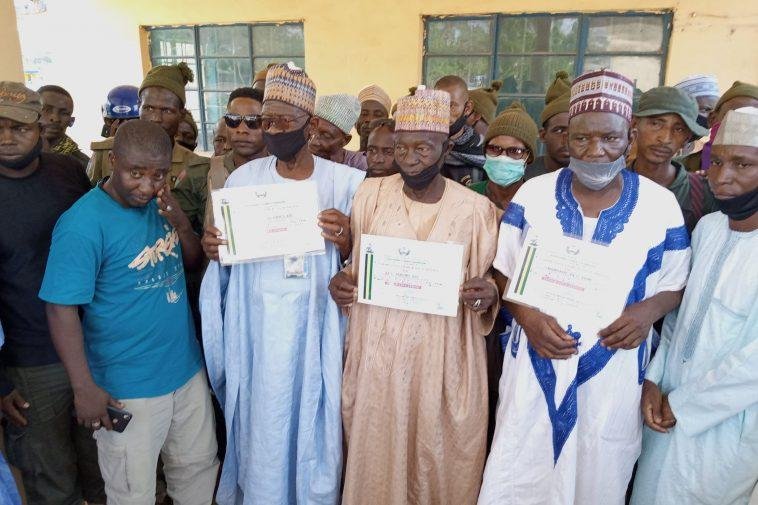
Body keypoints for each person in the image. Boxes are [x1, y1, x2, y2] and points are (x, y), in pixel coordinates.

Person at [478, 69, 692, 505]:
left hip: (612, 369)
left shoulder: (659, 205)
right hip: (535, 361)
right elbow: (504, 270)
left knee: (598, 473)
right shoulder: (533, 195)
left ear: (629, 136)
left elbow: (675, 283)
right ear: (564, 138)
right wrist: (529, 317)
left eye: (610, 139)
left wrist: (644, 314)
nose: (595, 152)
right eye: (582, 139)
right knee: (520, 468)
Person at [199, 62, 364, 504]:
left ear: (309, 125)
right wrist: (216, 246)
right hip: (257, 330)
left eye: (282, 121)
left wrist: (348, 238)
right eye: (263, 121)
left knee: (315, 417)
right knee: (264, 421)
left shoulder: (349, 184)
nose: (271, 130)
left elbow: (363, 263)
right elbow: (223, 262)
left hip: (318, 329)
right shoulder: (243, 179)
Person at [331, 86, 499, 505]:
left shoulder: (475, 210)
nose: (410, 157)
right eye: (402, 147)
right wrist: (342, 282)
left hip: (443, 358)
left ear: (445, 148)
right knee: (377, 451)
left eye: (423, 146)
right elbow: (353, 267)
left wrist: (487, 294)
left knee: (438, 456)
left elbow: (490, 285)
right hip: (378, 356)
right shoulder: (370, 194)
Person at [39, 119, 219, 505]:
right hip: (127, 387)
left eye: (158, 174)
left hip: (185, 371)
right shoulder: (82, 224)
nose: (147, 185)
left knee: (197, 473)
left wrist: (181, 224)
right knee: (132, 492)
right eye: (135, 173)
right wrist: (84, 387)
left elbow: (189, 262)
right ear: (112, 161)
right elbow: (60, 309)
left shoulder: (161, 206)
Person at [631, 106, 758, 505]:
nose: (723, 176)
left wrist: (683, 404)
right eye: (717, 161)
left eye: (743, 164)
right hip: (664, 409)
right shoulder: (708, 228)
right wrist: (652, 380)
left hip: (725, 427)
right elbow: (679, 319)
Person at [0, 81, 104, 505]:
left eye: (18, 128)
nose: (6, 138)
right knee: (51, 483)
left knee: (104, 473)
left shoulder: (68, 173)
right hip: (29, 365)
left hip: (91, 349)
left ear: (40, 126)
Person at [87, 62, 209, 187]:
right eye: (149, 108)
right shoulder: (105, 152)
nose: (156, 118)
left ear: (181, 115)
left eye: (166, 110)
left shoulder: (196, 166)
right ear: (139, 107)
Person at [174, 86, 266, 234]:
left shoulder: (284, 170)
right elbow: (179, 238)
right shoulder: (201, 174)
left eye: (253, 121)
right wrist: (206, 246)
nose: (241, 129)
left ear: (267, 124)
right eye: (233, 120)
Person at [630, 86, 715, 233]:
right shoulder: (611, 184)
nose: (665, 138)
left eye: (679, 129)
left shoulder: (702, 193)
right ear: (634, 124)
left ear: (687, 138)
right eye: (656, 124)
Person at [470, 102, 538, 209]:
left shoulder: (538, 202)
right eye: (495, 149)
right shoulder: (468, 196)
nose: (503, 157)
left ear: (528, 157)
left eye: (515, 151)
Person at [680, 80, 758, 172]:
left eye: (752, 120)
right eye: (732, 116)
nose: (742, 126)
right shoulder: (676, 170)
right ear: (712, 119)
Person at [434, 75, 486, 185]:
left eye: (451, 105)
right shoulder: (424, 147)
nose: (442, 113)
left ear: (467, 108)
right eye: (437, 105)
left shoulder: (484, 151)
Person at [526, 70, 571, 180]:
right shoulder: (524, 175)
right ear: (542, 135)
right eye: (559, 131)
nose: (567, 140)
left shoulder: (590, 178)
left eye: (575, 131)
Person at [309, 93, 367, 170]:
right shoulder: (295, 154)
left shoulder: (359, 165)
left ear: (346, 140)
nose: (313, 142)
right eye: (312, 128)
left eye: (326, 136)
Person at [38, 84, 89, 168]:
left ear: (71, 121)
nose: (55, 118)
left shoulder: (82, 165)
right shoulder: (14, 154)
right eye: (46, 109)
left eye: (64, 113)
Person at [673, 74, 719, 156]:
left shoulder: (706, 153)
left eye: (714, 111)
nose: (712, 117)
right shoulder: (657, 148)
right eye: (705, 109)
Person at [356, 84, 391, 151]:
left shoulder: (396, 160)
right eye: (364, 114)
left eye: (378, 115)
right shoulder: (347, 160)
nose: (369, 119)